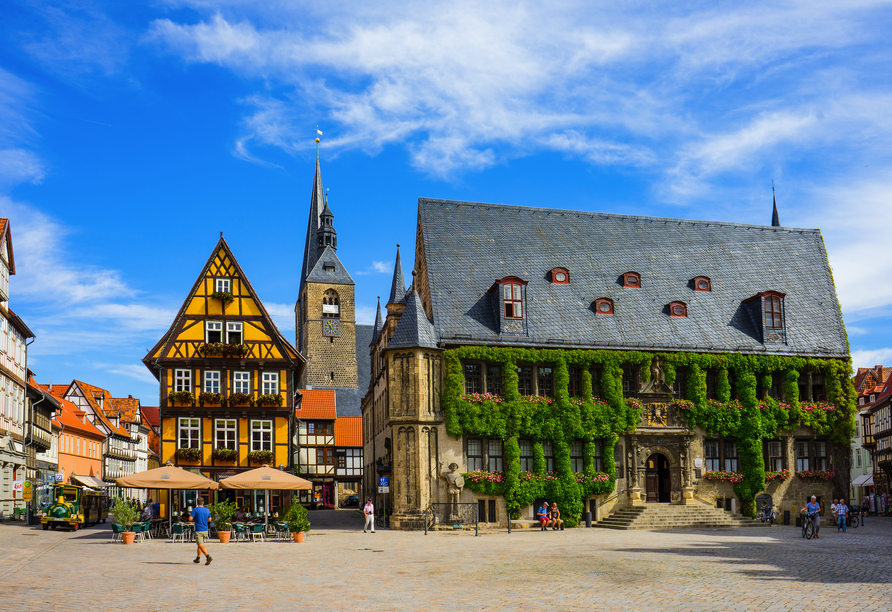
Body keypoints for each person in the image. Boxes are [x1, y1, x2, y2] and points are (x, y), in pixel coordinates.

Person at [189, 499, 213, 565]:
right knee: (200, 544)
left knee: (200, 544)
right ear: (203, 502)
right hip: (205, 529)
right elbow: (210, 519)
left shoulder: (195, 509)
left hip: (199, 529)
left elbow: (190, 518)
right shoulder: (207, 510)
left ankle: (208, 556)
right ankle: (198, 558)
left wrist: (196, 518)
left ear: (197, 503)